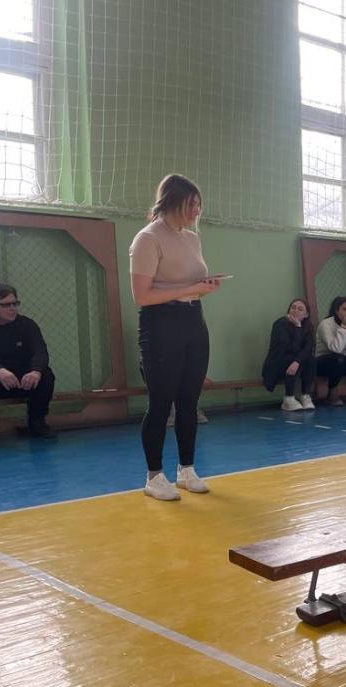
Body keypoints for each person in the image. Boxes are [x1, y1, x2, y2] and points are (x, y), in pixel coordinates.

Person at [129, 173, 224, 501]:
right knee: (161, 402)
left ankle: (187, 469)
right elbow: (142, 295)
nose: (197, 210)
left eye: (199, 205)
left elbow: (189, 283)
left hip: (193, 320)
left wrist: (203, 288)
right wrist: (189, 289)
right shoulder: (147, 238)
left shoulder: (192, 239)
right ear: (173, 202)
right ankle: (154, 476)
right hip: (160, 324)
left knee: (189, 400)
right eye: (192, 204)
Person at [0, 283, 56, 443]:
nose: (12, 308)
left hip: (22, 379)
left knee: (46, 375)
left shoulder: (27, 325)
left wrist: (36, 371)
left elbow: (40, 351)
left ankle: (37, 423)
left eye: (15, 303)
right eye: (5, 305)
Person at [263, 298, 316, 411]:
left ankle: (305, 395)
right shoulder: (280, 324)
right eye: (293, 308)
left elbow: (308, 348)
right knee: (292, 358)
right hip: (277, 365)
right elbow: (292, 349)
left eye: (300, 309)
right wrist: (297, 327)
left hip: (295, 364)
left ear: (306, 315)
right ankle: (289, 398)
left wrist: (297, 362)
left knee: (310, 359)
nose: (295, 311)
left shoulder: (308, 327)